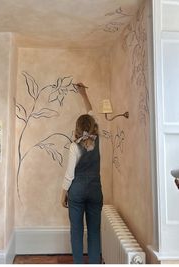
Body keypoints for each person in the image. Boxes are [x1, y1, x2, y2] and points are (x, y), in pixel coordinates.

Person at [61, 83, 103, 264]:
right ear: (94, 128)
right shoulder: (98, 140)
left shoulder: (74, 146)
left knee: (76, 231)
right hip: (95, 191)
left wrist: (63, 193)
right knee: (94, 231)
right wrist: (84, 94)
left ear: (77, 128)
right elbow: (91, 113)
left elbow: (70, 174)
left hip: (77, 191)